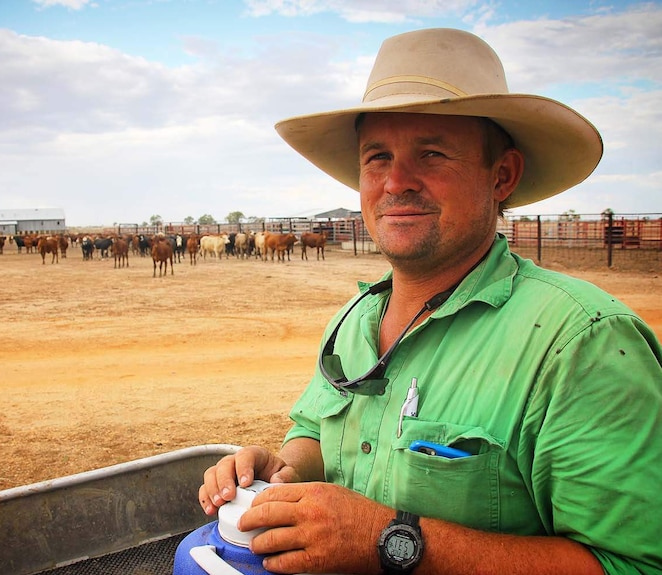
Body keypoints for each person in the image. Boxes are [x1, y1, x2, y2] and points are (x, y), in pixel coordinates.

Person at [199, 28, 662, 575]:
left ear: (502, 175)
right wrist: (283, 471)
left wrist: (389, 540)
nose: (396, 181)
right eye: (377, 157)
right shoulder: (356, 320)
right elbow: (316, 432)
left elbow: (633, 565)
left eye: (432, 154)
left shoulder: (582, 343)